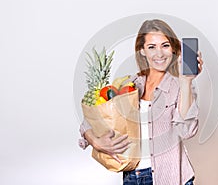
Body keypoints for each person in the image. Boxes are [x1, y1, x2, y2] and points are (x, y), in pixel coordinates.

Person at [79, 19, 203, 185]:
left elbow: (187, 130)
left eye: (165, 45)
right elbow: (90, 120)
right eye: (152, 47)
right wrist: (96, 141)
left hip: (171, 178)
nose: (159, 54)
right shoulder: (129, 84)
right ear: (142, 51)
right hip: (132, 177)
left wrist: (186, 81)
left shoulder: (180, 86)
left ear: (173, 49)